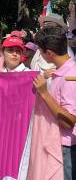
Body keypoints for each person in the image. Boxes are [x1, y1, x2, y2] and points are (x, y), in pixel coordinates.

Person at [33, 24, 76, 180]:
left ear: (49, 53)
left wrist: (44, 93)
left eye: (40, 52)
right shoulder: (60, 71)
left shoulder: (70, 77)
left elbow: (69, 121)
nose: (40, 55)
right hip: (56, 144)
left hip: (66, 149)